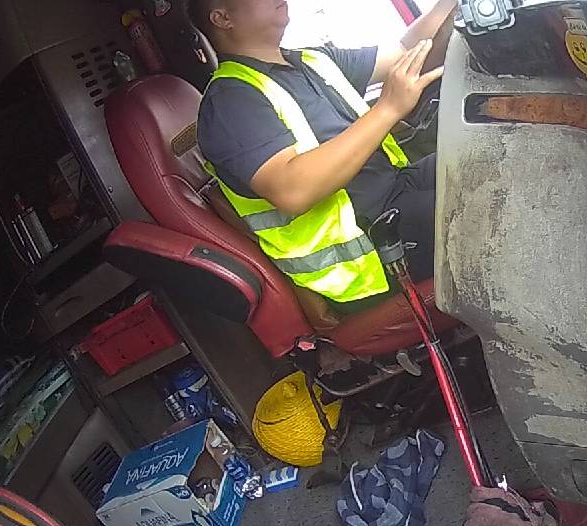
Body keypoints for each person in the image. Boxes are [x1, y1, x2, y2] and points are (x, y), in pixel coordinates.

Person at [188, 0, 455, 313]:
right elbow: (293, 190)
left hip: (399, 188)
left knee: (491, 160)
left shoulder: (312, 60)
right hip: (370, 251)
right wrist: (388, 109)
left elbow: (406, 53)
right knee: (490, 202)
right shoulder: (230, 102)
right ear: (223, 18)